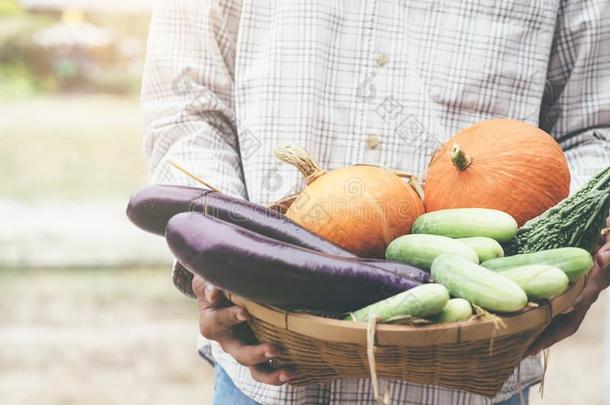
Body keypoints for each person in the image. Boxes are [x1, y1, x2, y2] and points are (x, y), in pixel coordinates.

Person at [141, 1, 610, 404]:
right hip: (269, 374)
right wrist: (219, 263)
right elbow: (187, 107)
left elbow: (596, 131)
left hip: (480, 370)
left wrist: (582, 249)